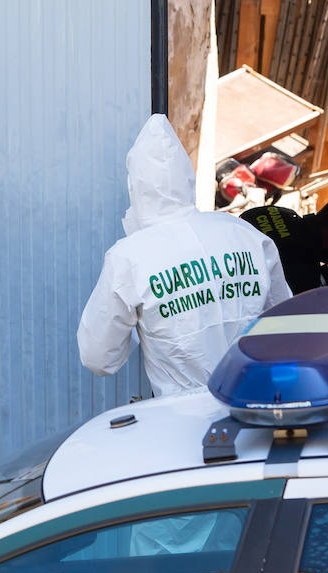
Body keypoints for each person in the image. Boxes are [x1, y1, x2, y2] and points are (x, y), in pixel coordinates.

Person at [78, 114, 292, 397]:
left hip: (182, 413)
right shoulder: (244, 234)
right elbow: (284, 321)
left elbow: (98, 357)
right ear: (186, 177)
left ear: (136, 186)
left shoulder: (129, 257)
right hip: (256, 402)